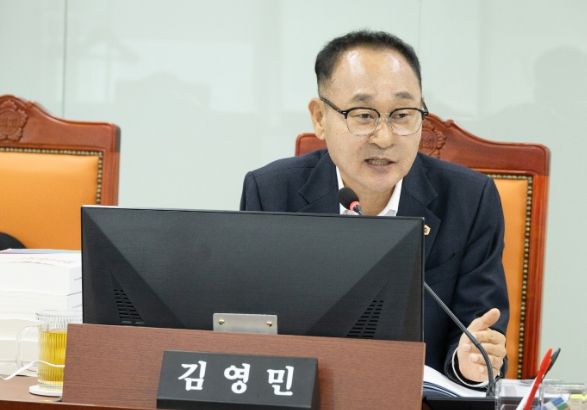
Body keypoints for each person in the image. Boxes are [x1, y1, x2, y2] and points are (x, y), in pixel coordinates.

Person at [240, 30, 508, 386]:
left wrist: (470, 363)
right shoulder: (271, 194)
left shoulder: (470, 199)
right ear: (319, 118)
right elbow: (252, 333)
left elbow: (479, 328)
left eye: (402, 114)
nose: (384, 138)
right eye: (363, 115)